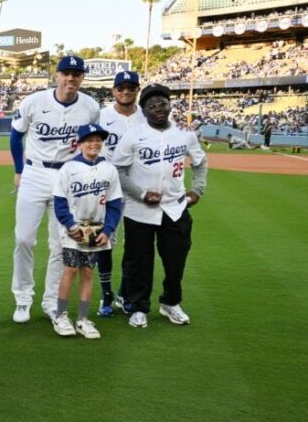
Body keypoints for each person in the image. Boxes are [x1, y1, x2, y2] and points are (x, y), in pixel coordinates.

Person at [10, 55, 99, 325]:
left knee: (61, 244)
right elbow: (16, 135)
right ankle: (23, 298)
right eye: (66, 73)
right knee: (24, 239)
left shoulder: (91, 107)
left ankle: (51, 301)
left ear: (82, 77)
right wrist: (18, 169)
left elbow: (92, 143)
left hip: (68, 175)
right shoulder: (34, 101)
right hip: (35, 172)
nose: (71, 78)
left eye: (76, 73)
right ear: (56, 75)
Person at [110, 84, 208, 329]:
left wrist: (197, 189)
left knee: (176, 261)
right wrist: (141, 193)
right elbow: (118, 170)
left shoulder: (184, 134)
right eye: (151, 105)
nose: (158, 109)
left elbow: (200, 162)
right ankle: (138, 306)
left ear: (170, 106)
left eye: (162, 103)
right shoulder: (132, 136)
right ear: (143, 110)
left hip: (175, 208)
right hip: (139, 209)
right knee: (138, 263)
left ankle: (171, 303)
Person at [51, 125, 123, 339]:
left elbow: (115, 203)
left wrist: (108, 230)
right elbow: (59, 202)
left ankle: (83, 319)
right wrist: (71, 227)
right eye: (89, 140)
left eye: (98, 140)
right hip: (72, 230)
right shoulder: (68, 168)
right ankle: (61, 316)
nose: (94, 144)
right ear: (80, 144)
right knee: (71, 270)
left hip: (96, 231)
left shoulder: (109, 169)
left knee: (88, 272)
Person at [96, 70, 142, 317]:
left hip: (137, 187)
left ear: (137, 90)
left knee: (135, 244)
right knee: (105, 241)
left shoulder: (146, 117)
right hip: (107, 186)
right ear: (113, 91)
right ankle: (106, 294)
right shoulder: (101, 116)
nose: (126, 92)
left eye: (131, 87)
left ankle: (125, 291)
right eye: (121, 88)